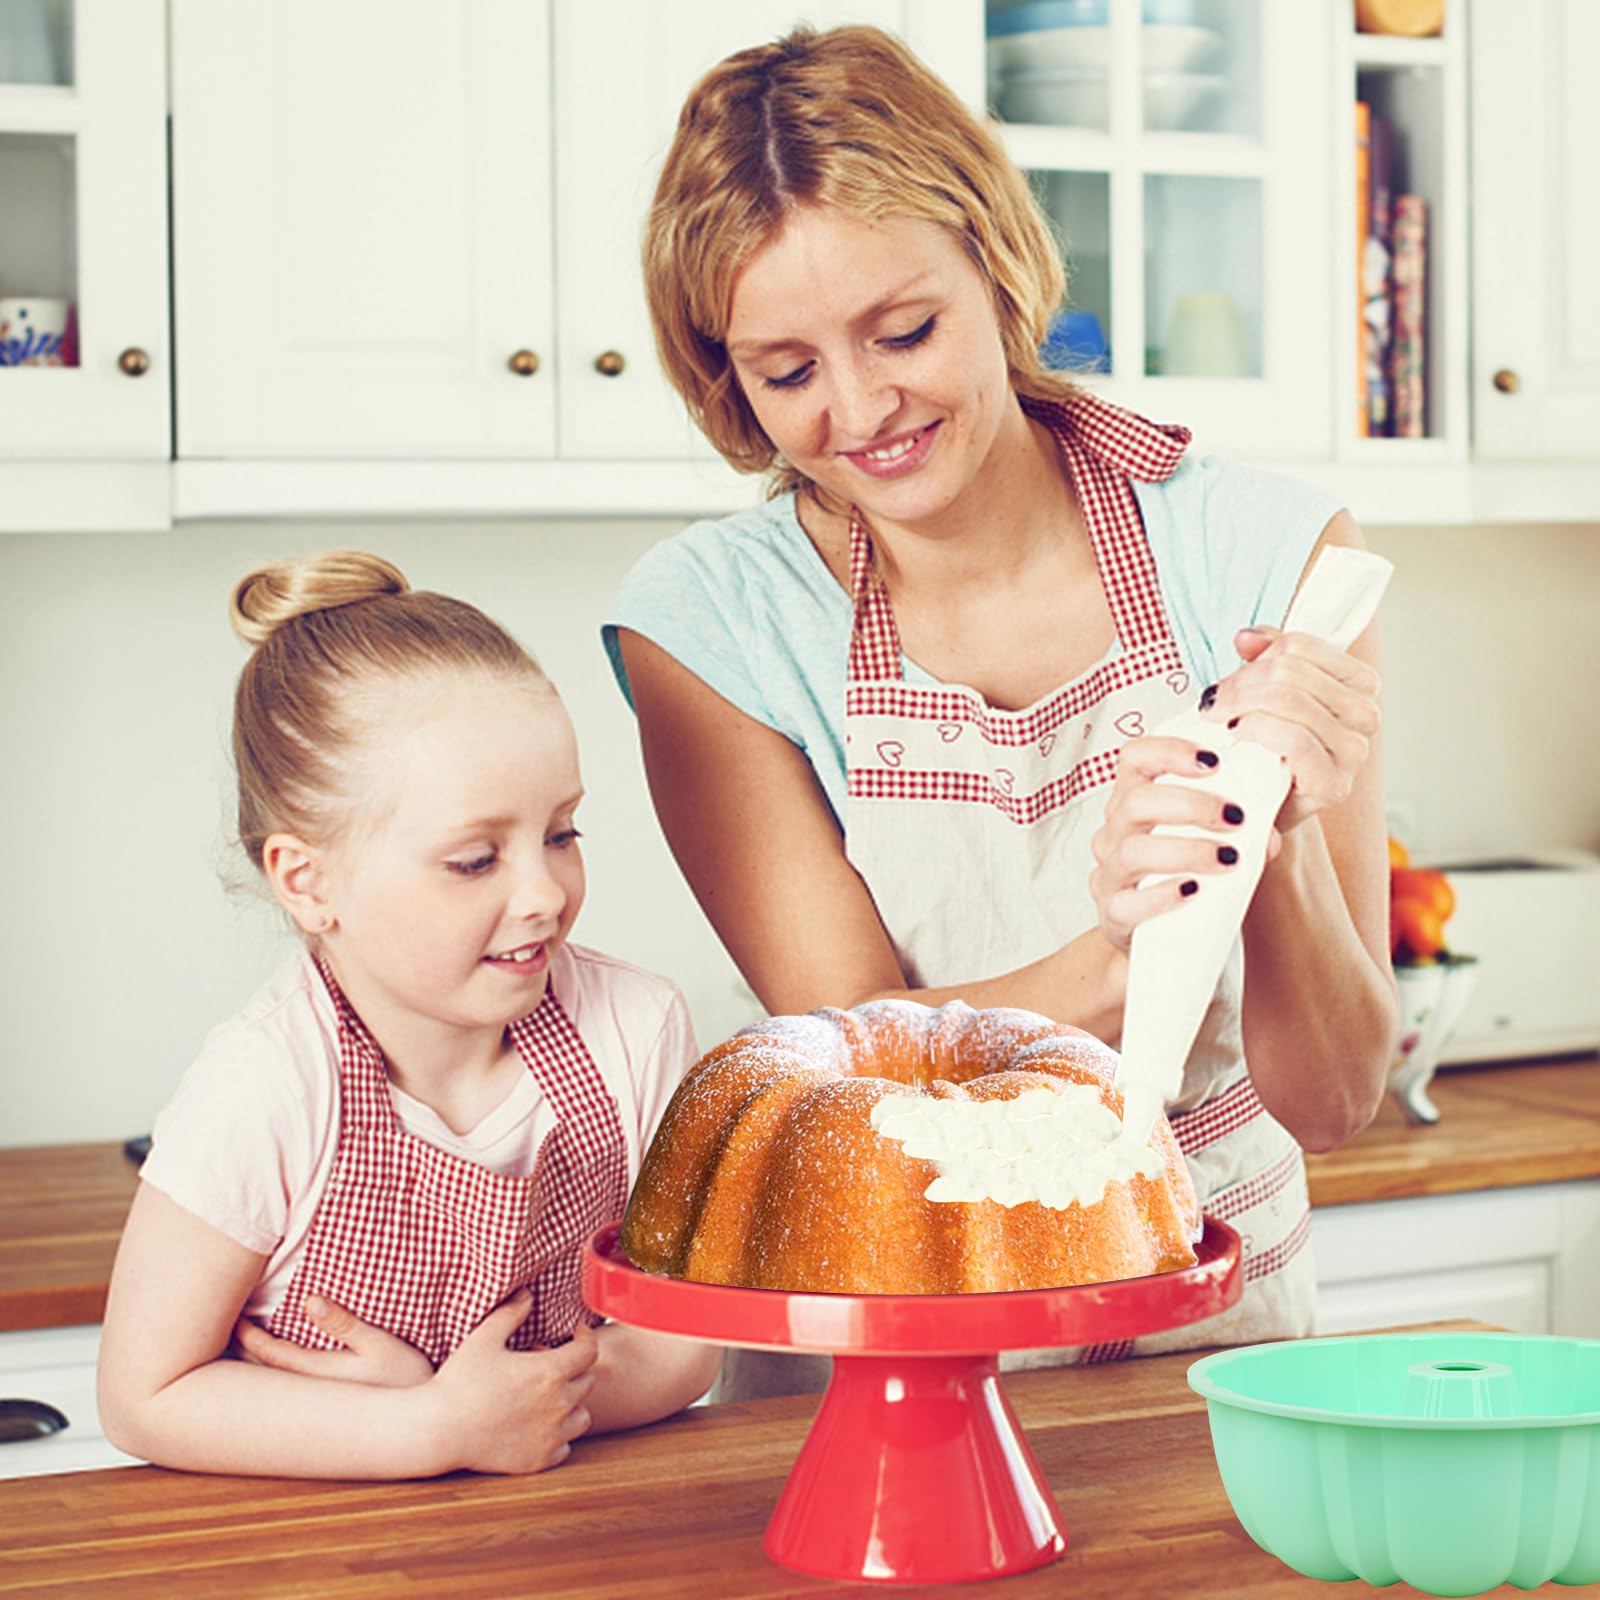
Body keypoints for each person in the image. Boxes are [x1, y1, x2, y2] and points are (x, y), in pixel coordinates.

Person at [604, 25, 1399, 1391]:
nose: (860, 409)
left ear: (997, 261)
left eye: (902, 330)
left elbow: (1331, 1100)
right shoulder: (711, 623)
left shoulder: (1268, 560)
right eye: (786, 371)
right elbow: (861, 1061)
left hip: (1206, 1346)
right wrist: (1132, 938)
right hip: (884, 1344)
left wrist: (1264, 846)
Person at [99, 551, 721, 1476]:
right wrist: (432, 1427)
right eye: (475, 860)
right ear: (307, 882)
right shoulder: (266, 1085)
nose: (545, 893)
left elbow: (681, 1344)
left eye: (561, 833)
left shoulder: (636, 1030)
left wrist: (491, 1413)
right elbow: (143, 1396)